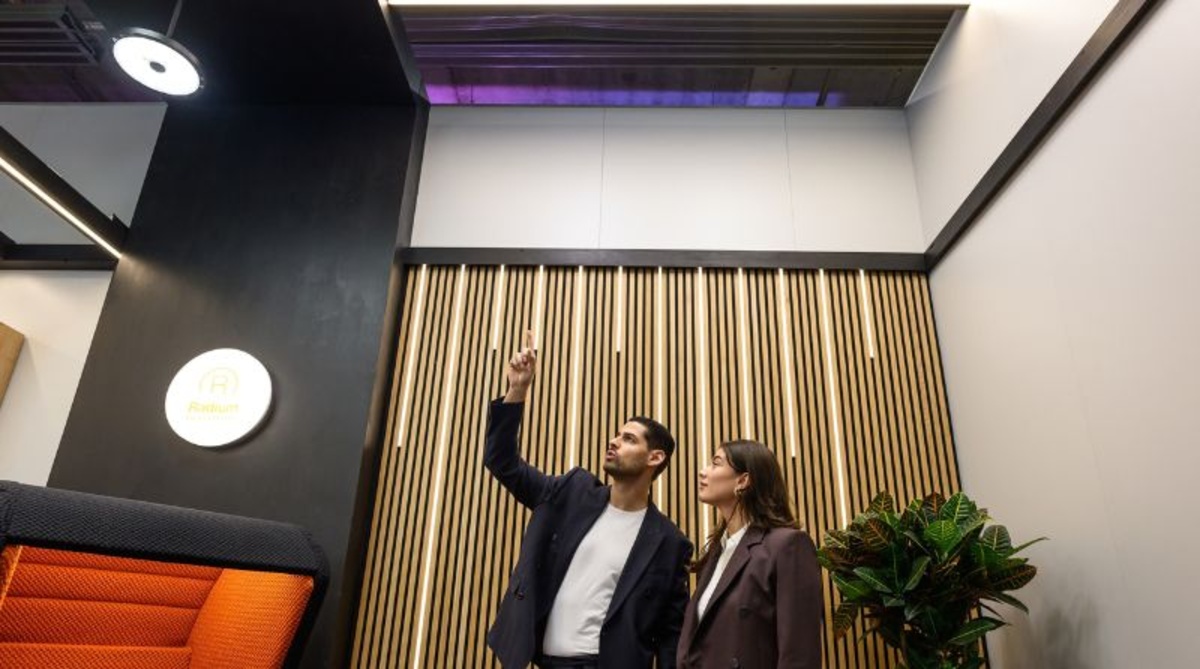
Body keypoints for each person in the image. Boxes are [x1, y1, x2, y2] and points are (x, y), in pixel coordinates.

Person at [485, 331, 693, 669]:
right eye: (616, 435)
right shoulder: (571, 492)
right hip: (545, 661)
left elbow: (671, 634)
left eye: (628, 439)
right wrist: (517, 390)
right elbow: (503, 463)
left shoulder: (669, 542)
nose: (613, 441)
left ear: (655, 458)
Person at [676, 440, 823, 669]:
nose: (703, 471)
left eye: (716, 463)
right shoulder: (717, 552)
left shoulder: (788, 545)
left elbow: (799, 653)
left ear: (743, 481)